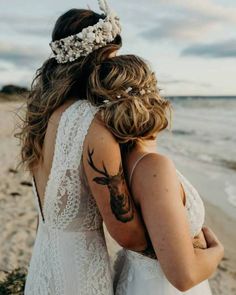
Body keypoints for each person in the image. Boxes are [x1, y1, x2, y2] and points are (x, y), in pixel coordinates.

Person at [17, 2, 148, 294]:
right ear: (96, 60)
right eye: (111, 58)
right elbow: (127, 234)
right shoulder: (93, 124)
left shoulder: (42, 116)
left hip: (42, 266)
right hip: (80, 277)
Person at [82, 54, 224, 294]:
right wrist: (217, 251)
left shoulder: (123, 161)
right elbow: (184, 276)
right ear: (151, 100)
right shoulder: (152, 167)